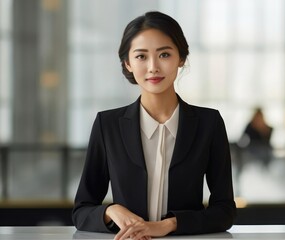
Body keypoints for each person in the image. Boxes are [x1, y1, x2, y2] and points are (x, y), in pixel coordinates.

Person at [72, 11, 236, 239]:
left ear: (181, 58)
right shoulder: (107, 125)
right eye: (141, 56)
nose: (153, 67)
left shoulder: (209, 124)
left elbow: (225, 211)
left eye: (164, 54)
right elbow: (82, 211)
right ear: (127, 63)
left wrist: (170, 224)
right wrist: (111, 210)